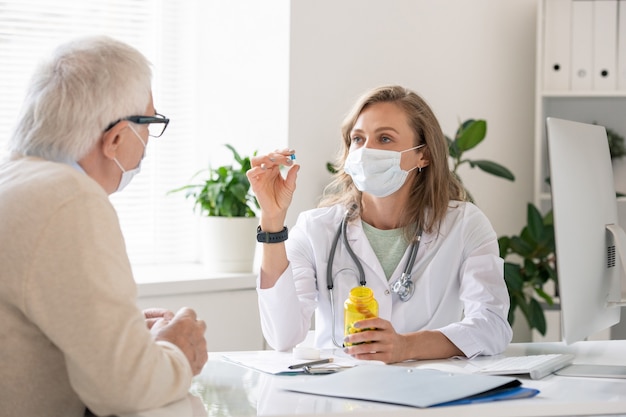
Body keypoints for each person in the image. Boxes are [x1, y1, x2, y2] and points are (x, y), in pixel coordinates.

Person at [0, 36, 207, 417]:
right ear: (115, 137)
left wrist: (121, 334)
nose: (146, 144)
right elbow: (125, 389)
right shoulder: (69, 199)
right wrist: (177, 348)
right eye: (150, 123)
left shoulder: (14, 180)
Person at [247, 85, 512, 364]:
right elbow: (282, 336)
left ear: (423, 154)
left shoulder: (465, 224)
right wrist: (272, 221)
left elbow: (491, 325)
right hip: (340, 396)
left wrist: (407, 347)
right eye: (358, 139)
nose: (366, 151)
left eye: (385, 138)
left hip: (428, 395)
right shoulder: (316, 229)